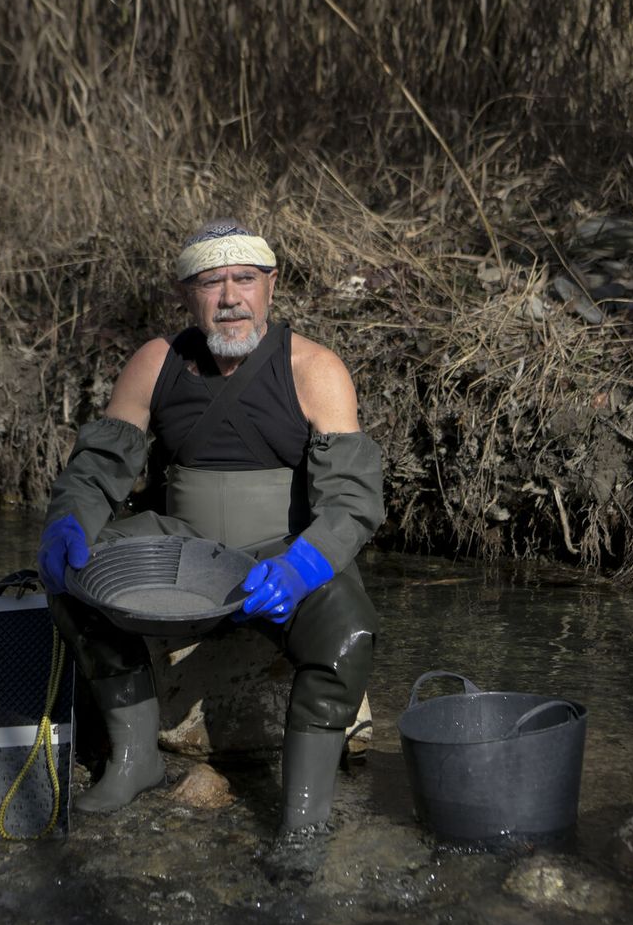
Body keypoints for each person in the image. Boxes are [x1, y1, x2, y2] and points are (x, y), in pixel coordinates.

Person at [36, 219, 384, 836]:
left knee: (349, 632)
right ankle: (135, 760)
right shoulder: (156, 362)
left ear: (270, 287)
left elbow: (352, 500)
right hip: (180, 552)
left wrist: (304, 567)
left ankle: (303, 818)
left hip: (280, 558)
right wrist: (69, 522)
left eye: (245, 280)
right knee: (73, 575)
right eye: (211, 283)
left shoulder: (315, 368)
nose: (229, 298)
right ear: (185, 294)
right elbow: (96, 471)